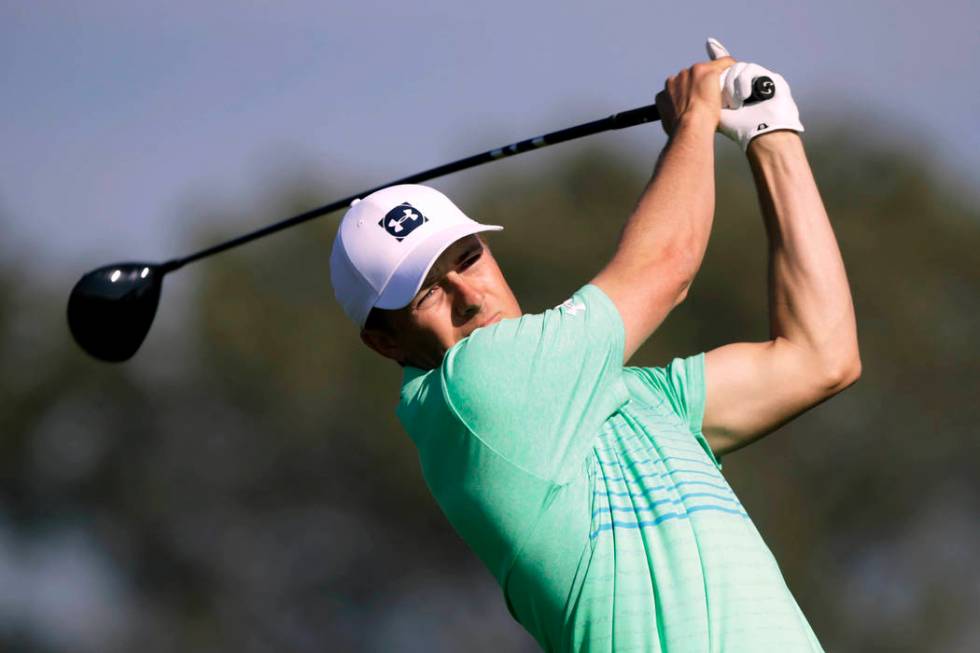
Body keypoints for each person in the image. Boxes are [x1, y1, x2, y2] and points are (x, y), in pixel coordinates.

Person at [329, 38, 859, 653]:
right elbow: (666, 266)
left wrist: (773, 133)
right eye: (425, 293)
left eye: (468, 258)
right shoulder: (472, 394)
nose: (467, 294)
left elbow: (822, 357)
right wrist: (695, 118)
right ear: (383, 341)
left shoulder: (634, 398)